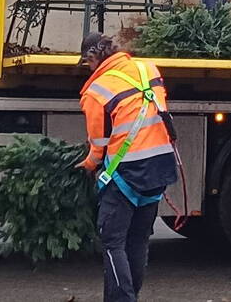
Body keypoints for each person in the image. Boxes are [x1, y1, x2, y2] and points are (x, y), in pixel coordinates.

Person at [77, 32, 178, 302]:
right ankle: (131, 295)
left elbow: (98, 144)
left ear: (94, 57)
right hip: (159, 164)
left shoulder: (97, 90)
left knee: (112, 241)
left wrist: (88, 164)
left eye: (86, 63)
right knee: (139, 238)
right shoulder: (148, 68)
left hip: (127, 172)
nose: (87, 69)